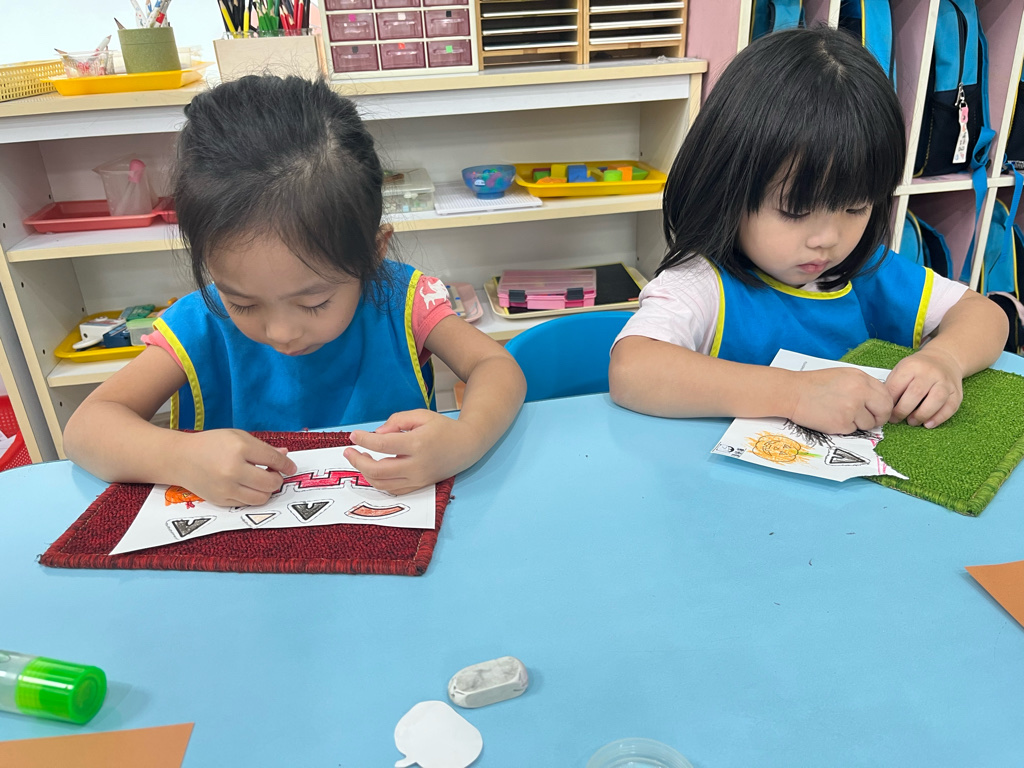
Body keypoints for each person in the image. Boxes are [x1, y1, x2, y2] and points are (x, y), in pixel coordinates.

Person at [64, 76, 526, 506]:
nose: (281, 333)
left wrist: (464, 438)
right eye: (242, 302)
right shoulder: (200, 324)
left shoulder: (400, 301)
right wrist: (178, 457)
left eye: (314, 302)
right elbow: (85, 429)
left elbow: (496, 366)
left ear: (372, 254)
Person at [609, 27, 1007, 434]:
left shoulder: (867, 270)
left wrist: (945, 359)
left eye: (855, 207)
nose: (827, 239)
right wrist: (794, 394)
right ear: (727, 188)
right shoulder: (702, 283)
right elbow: (632, 369)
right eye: (795, 211)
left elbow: (985, 314)